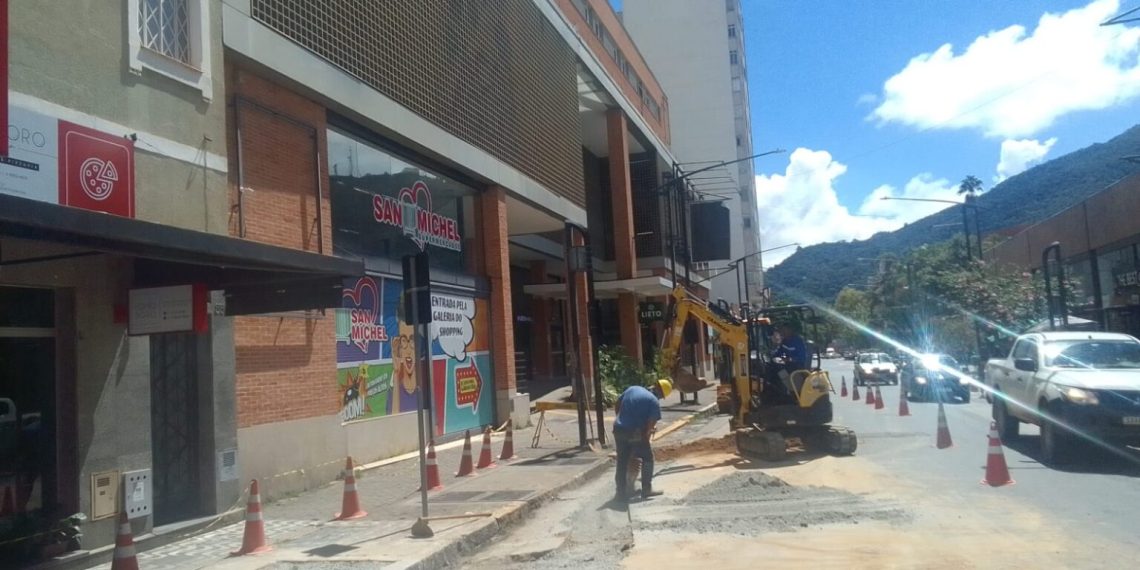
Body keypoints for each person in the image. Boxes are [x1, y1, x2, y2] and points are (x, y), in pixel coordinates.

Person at [613, 379, 673, 501]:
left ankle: (621, 492)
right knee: (647, 458)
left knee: (622, 460)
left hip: (618, 429)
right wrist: (647, 434)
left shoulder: (632, 388)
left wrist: (621, 419)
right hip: (634, 432)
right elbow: (648, 429)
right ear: (661, 394)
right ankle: (646, 489)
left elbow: (617, 404)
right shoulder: (654, 402)